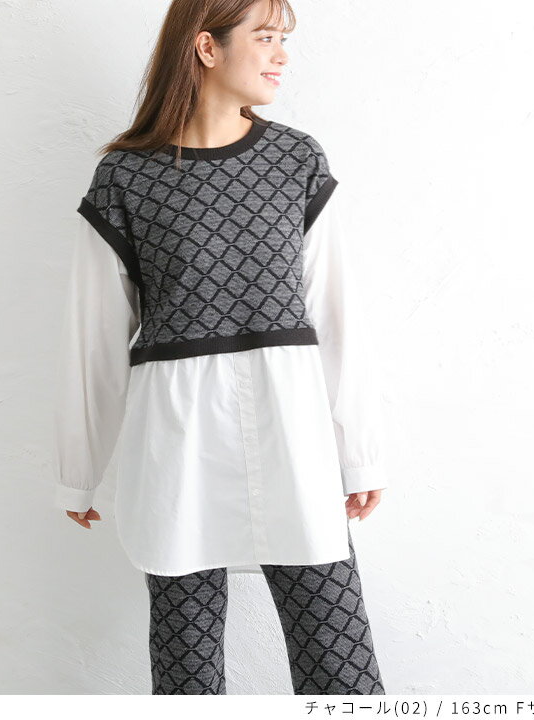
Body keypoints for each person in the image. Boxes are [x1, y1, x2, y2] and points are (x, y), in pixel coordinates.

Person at [53, 0, 390, 695]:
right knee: (187, 669)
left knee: (339, 661)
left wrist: (359, 451)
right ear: (207, 47)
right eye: (265, 37)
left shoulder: (297, 160)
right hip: (178, 445)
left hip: (292, 437)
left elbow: (336, 316)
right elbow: (93, 338)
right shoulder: (126, 178)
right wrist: (78, 470)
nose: (282, 55)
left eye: (283, 38)